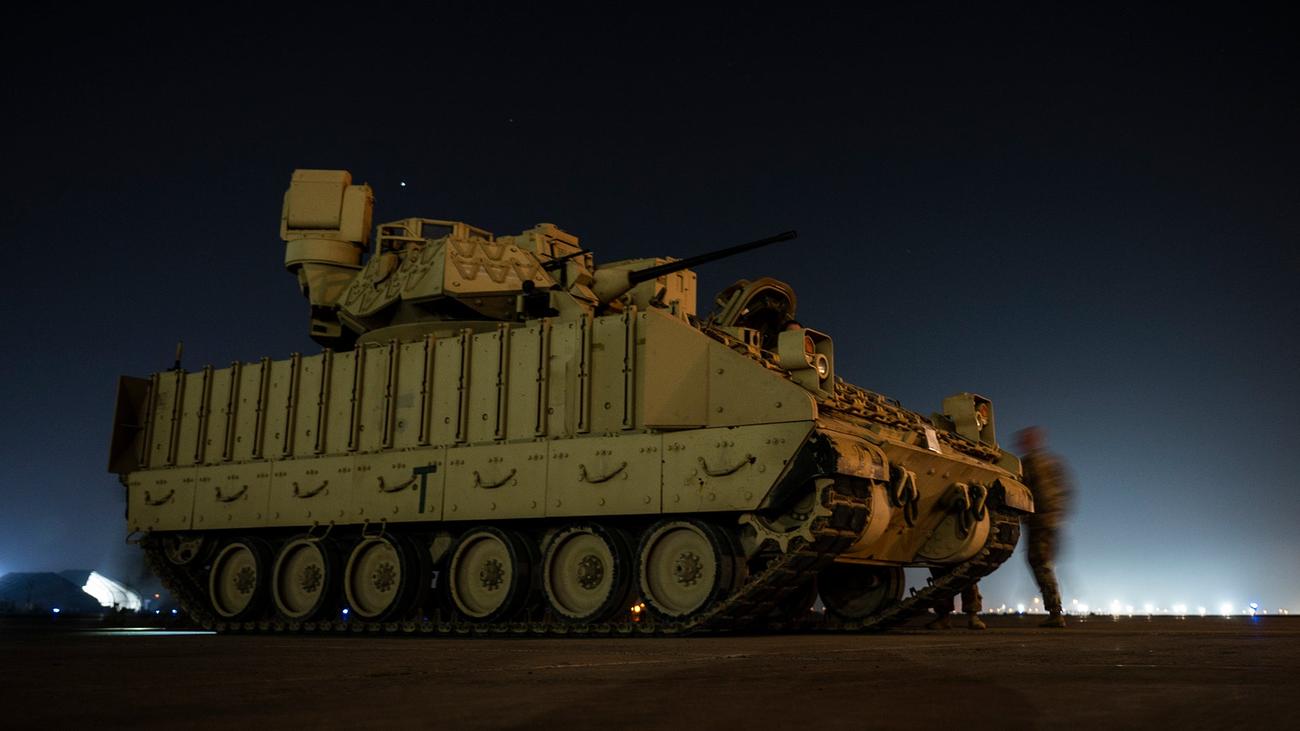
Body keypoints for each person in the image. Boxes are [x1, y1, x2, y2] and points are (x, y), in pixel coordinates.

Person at [1016, 426, 1074, 628]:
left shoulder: (1027, 464)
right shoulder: (1052, 462)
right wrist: (1059, 513)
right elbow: (1067, 490)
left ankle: (1055, 612)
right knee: (1041, 561)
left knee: (1040, 561)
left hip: (1041, 520)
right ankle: (1054, 610)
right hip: (1047, 519)